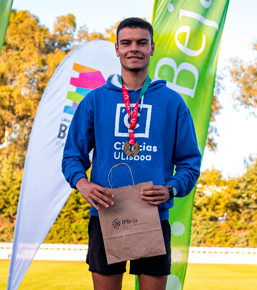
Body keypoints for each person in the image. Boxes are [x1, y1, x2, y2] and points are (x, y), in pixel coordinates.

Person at [62, 17, 201, 290]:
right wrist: (84, 185)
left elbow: (189, 163)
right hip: (106, 214)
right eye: (126, 43)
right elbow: (72, 156)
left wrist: (171, 189)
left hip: (153, 214)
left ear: (152, 48)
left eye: (141, 42)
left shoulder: (172, 102)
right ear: (117, 49)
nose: (133, 48)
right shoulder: (95, 100)